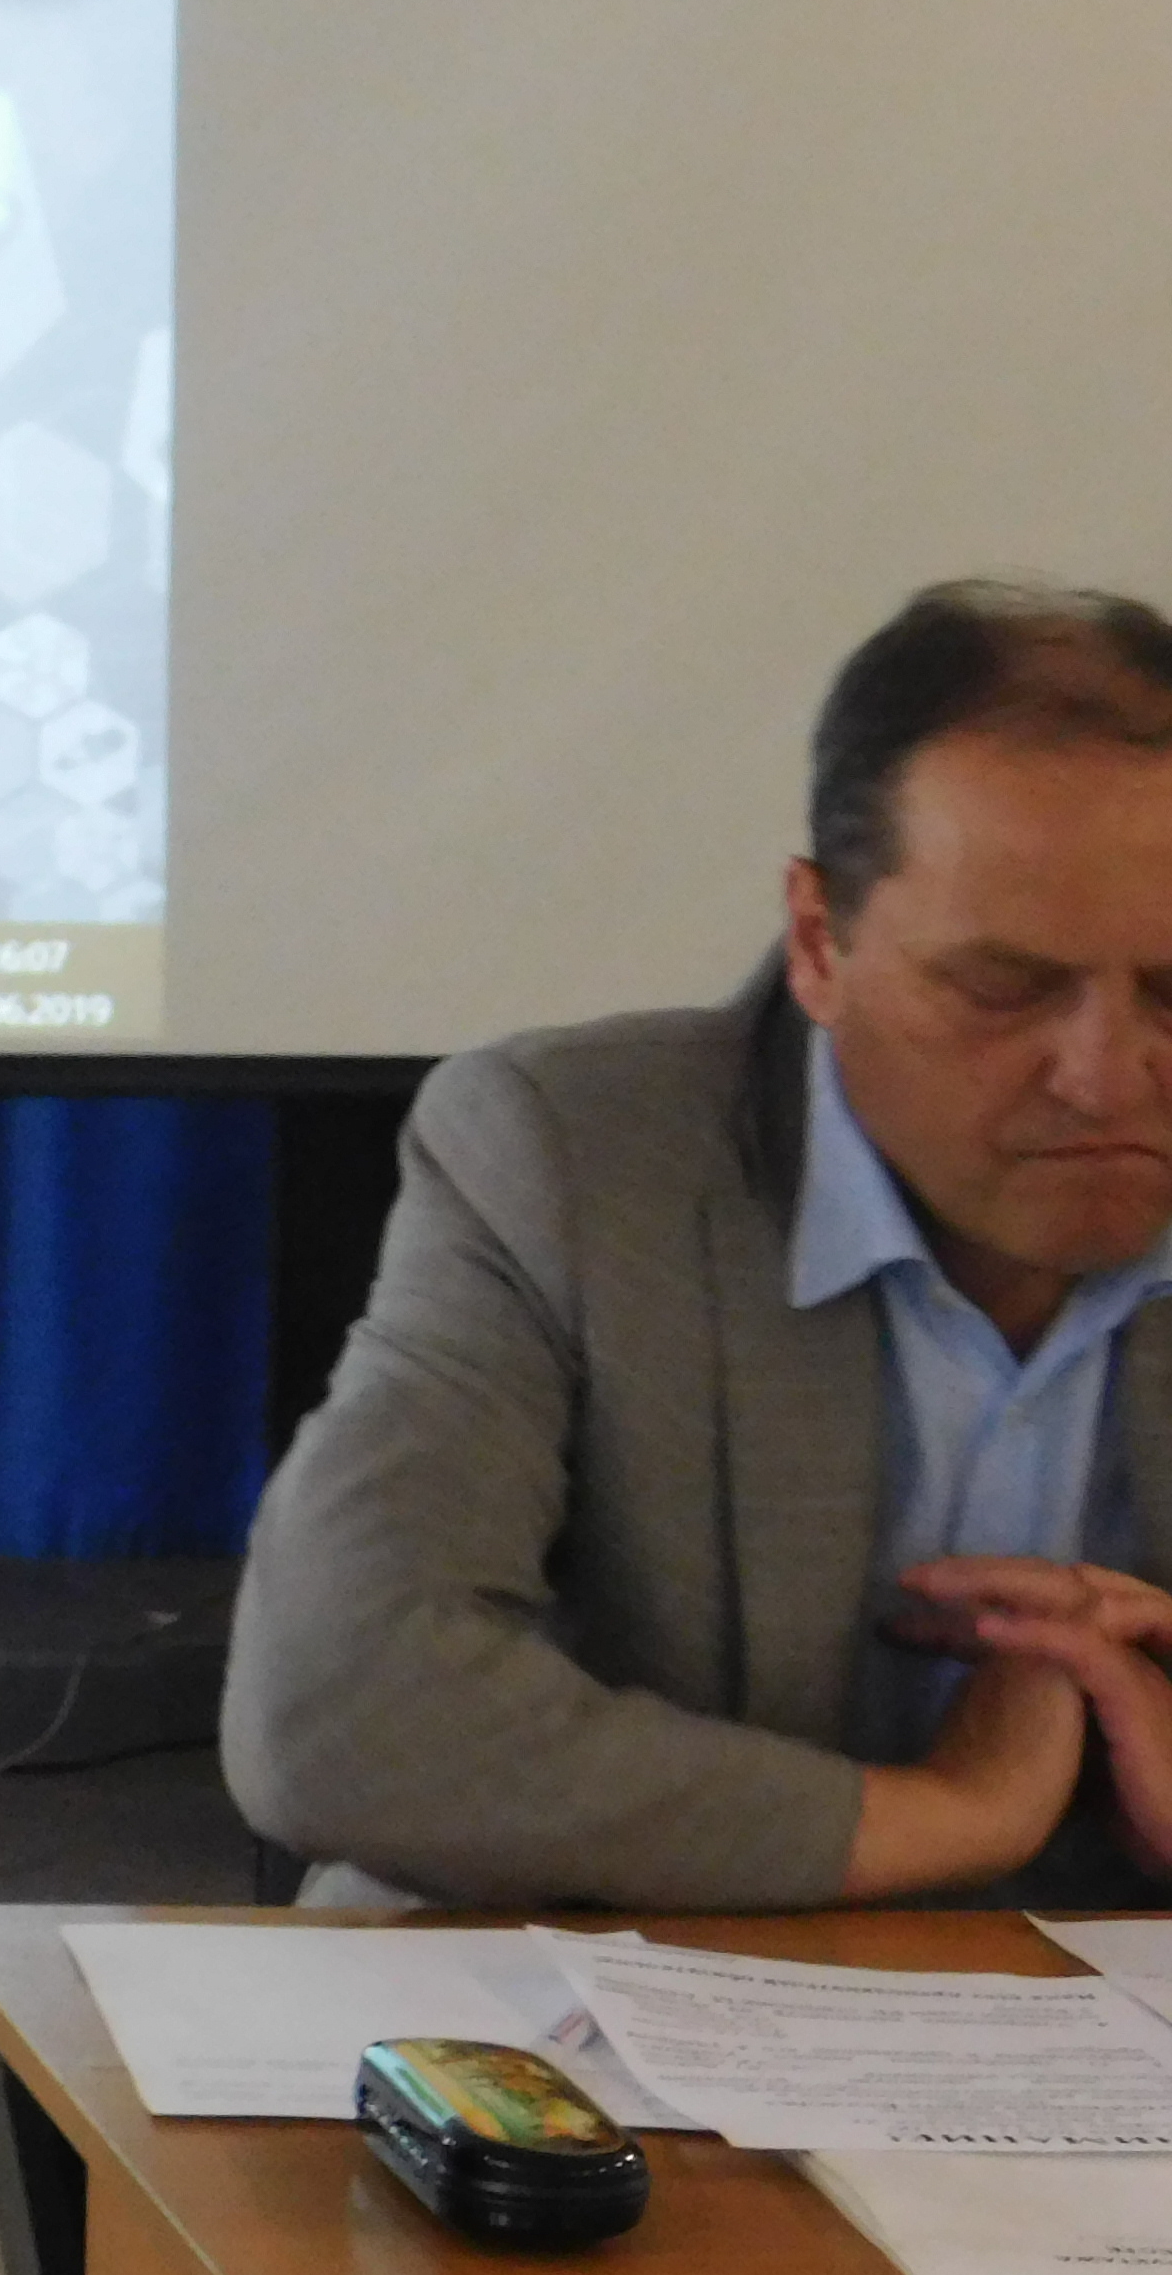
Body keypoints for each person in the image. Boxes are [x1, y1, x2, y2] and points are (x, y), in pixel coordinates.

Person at [224, 579, 1172, 1912]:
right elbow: (341, 1714)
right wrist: (954, 1814)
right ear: (818, 944)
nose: (1107, 1078)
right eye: (1004, 989)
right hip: (616, 1960)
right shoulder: (574, 1160)